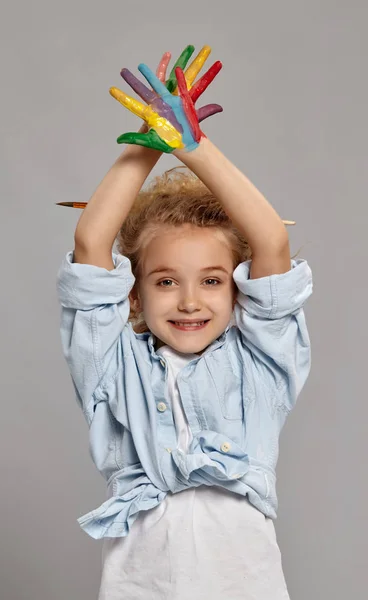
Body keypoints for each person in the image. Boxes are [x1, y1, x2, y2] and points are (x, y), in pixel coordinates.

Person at [56, 45, 313, 599]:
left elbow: (272, 241)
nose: (190, 301)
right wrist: (147, 146)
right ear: (133, 293)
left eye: (213, 280)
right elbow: (91, 243)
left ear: (238, 290)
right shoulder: (111, 370)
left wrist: (192, 146)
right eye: (166, 281)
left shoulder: (262, 369)